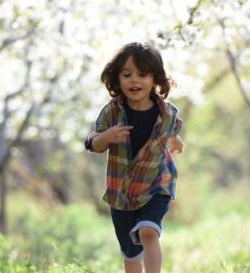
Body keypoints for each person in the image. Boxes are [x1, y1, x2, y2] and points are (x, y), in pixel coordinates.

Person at [84, 42, 183, 273]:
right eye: (127, 75)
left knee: (148, 231)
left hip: (157, 183)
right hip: (122, 191)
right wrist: (107, 137)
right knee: (130, 253)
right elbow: (92, 143)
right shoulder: (112, 111)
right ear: (117, 79)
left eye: (142, 75)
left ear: (155, 79)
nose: (134, 80)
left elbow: (173, 128)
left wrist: (176, 140)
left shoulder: (166, 112)